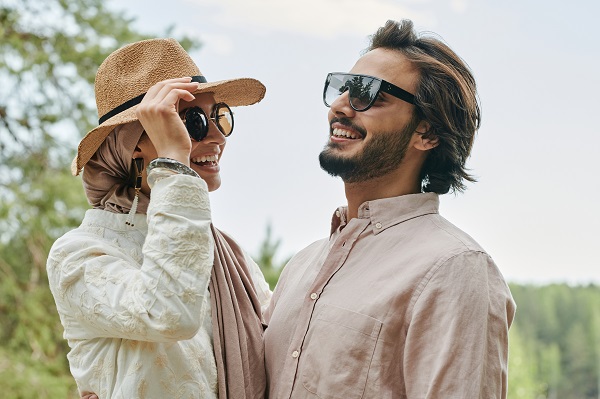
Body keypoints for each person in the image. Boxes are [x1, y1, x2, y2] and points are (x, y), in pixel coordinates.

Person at [263, 19, 516, 398]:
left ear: (426, 132)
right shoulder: (302, 266)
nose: (340, 106)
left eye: (368, 94)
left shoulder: (454, 268)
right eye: (343, 88)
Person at [46, 38, 271, 398]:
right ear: (134, 143)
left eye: (220, 117)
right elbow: (167, 312)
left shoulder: (230, 255)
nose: (216, 137)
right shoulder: (77, 254)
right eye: (193, 122)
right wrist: (173, 161)